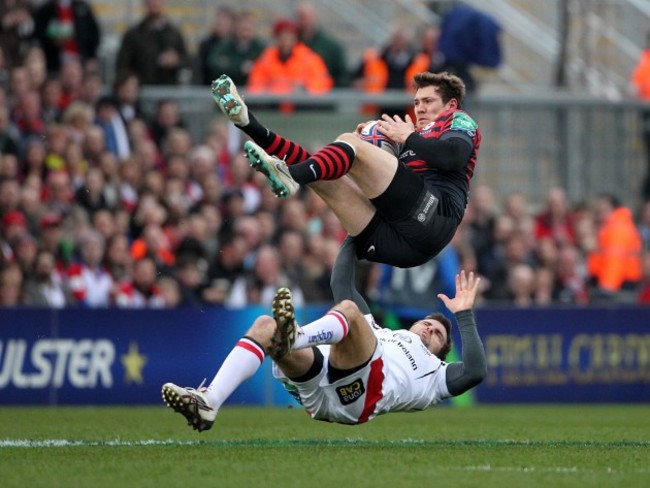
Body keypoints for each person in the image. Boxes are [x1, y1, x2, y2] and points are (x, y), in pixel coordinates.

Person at [162, 235, 486, 431]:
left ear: (440, 352)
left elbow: (474, 371)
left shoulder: (435, 375)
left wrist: (463, 315)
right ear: (411, 326)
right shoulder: (380, 331)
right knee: (265, 326)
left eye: (438, 335)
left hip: (359, 396)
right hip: (319, 389)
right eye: (427, 324)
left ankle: (294, 338)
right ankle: (209, 400)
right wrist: (356, 234)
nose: (430, 328)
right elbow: (341, 283)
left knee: (348, 311)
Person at [212, 70, 481, 268]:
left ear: (450, 105)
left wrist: (404, 138)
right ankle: (249, 122)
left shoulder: (457, 120)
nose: (419, 108)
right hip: (402, 247)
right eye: (416, 102)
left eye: (428, 101)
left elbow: (452, 157)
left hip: (435, 217)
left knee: (349, 143)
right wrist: (381, 145)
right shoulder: (410, 137)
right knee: (325, 176)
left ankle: (291, 176)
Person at [115, 0, 189, 86]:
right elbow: (122, 65)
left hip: (168, 90)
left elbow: (187, 61)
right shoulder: (133, 34)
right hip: (141, 90)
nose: (154, 3)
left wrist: (176, 60)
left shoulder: (174, 34)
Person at [32, 0, 101, 75]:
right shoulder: (45, 10)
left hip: (80, 58)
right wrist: (52, 41)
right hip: (54, 61)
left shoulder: (82, 7)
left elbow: (94, 33)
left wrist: (91, 56)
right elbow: (38, 35)